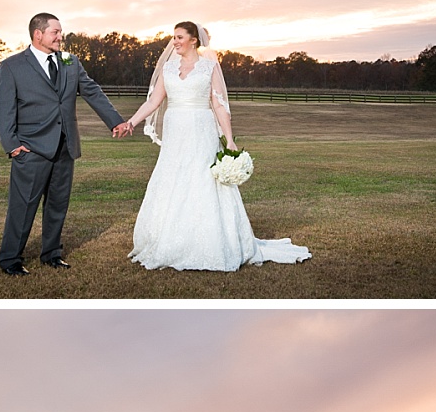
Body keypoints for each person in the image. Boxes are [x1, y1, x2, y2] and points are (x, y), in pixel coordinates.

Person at [118, 22, 311, 271]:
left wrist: (229, 139)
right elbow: (154, 101)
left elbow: (219, 105)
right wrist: (131, 122)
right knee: (173, 178)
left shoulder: (209, 67)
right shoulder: (168, 68)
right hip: (176, 131)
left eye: (179, 37)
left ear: (194, 40)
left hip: (202, 130)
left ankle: (211, 241)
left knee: (202, 180)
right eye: (173, 37)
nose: (174, 42)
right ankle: (168, 239)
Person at [0, 12, 130, 275]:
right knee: (22, 208)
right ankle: (10, 259)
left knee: (58, 205)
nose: (61, 36)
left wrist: (114, 120)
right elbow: (5, 110)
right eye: (55, 32)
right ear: (38, 34)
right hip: (30, 149)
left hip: (65, 146)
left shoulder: (69, 60)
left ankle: (52, 254)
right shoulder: (12, 66)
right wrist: (13, 146)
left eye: (60, 32)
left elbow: (91, 90)